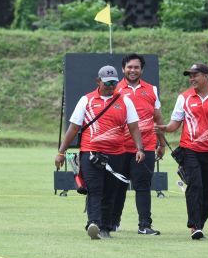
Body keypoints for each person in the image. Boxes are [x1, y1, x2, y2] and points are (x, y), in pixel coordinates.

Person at [55, 65, 145, 239]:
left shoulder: (125, 101)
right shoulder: (86, 100)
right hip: (91, 152)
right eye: (107, 83)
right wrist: (61, 152)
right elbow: (73, 128)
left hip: (117, 154)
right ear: (98, 81)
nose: (111, 86)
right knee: (95, 189)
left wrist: (139, 148)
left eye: (114, 82)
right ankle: (93, 223)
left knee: (111, 191)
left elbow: (134, 128)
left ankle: (105, 227)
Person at [155, 63, 208, 240]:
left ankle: (200, 224)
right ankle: (194, 225)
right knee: (195, 184)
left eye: (195, 75)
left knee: (207, 190)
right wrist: (163, 128)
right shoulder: (184, 98)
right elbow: (175, 124)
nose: (191, 79)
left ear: (206, 76)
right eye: (190, 76)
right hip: (189, 149)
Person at [111, 54, 165, 235]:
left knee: (142, 186)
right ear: (123, 69)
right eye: (129, 67)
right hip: (120, 147)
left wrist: (162, 144)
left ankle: (144, 225)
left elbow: (158, 118)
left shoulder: (152, 89)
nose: (132, 70)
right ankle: (113, 222)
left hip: (146, 146)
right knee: (118, 186)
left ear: (142, 70)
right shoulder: (115, 89)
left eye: (136, 67)